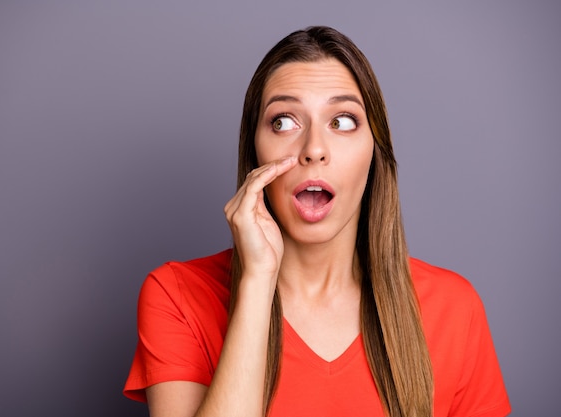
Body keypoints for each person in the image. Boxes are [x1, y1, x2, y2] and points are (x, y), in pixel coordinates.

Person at [124, 26, 511, 417]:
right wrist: (257, 281)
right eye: (283, 122)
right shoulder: (176, 296)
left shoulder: (454, 309)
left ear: (374, 154)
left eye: (342, 121)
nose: (313, 150)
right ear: (255, 152)